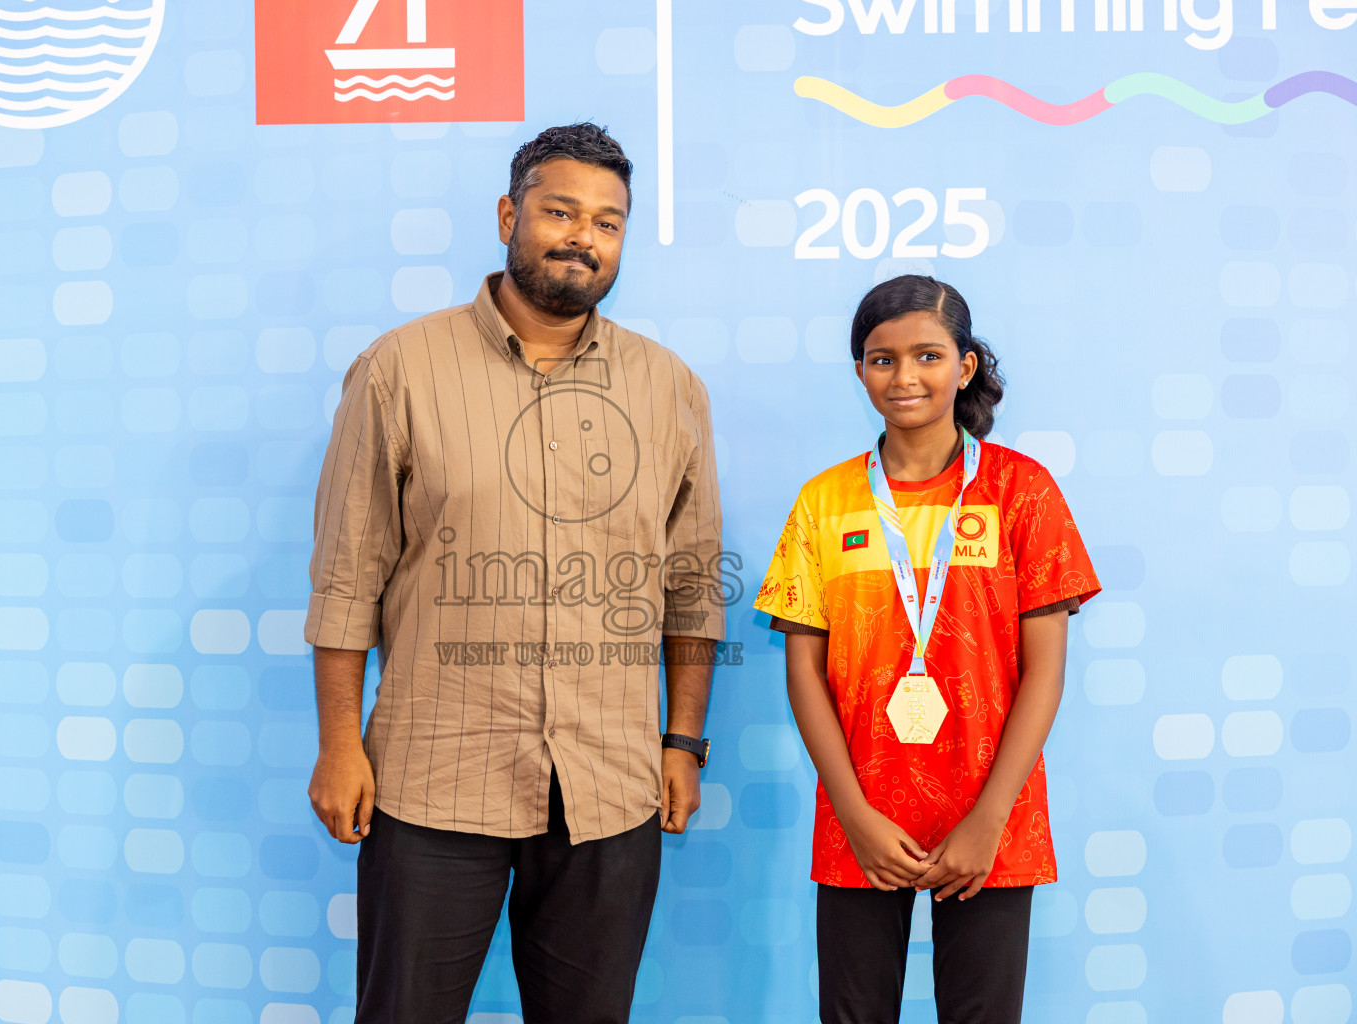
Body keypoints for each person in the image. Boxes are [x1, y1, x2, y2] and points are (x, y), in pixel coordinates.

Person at [303, 123, 726, 1023]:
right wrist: (340, 746)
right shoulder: (398, 370)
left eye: (608, 222)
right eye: (560, 211)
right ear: (509, 214)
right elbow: (347, 577)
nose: (583, 236)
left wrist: (683, 742)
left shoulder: (669, 388)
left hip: (610, 789)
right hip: (432, 779)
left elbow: (690, 585)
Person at [753, 275, 1101, 1023]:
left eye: (927, 356)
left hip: (992, 822)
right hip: (863, 822)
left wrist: (989, 817)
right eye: (881, 359)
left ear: (965, 366)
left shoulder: (1023, 492)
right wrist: (853, 811)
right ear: (859, 372)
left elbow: (1045, 672)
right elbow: (805, 675)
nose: (904, 377)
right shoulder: (826, 500)